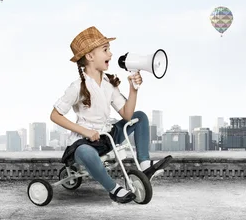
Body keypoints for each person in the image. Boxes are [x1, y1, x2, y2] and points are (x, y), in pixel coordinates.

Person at [50, 26, 173, 204]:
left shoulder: (108, 83)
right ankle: (114, 189)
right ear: (90, 56)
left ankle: (145, 165)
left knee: (140, 117)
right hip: (85, 142)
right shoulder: (77, 86)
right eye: (105, 50)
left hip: (107, 135)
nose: (111, 54)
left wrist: (133, 90)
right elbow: (55, 115)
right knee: (85, 152)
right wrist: (85, 132)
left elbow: (128, 115)